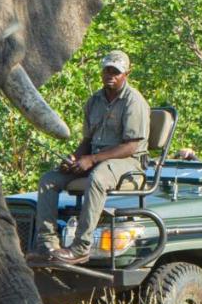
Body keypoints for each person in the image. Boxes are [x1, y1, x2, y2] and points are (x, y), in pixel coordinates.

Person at [31, 50, 150, 264]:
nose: (110, 75)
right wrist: (75, 158)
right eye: (107, 70)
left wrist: (92, 160)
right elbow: (87, 140)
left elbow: (131, 146)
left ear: (126, 74)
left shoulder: (134, 102)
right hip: (96, 159)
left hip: (128, 163)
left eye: (116, 71)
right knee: (49, 180)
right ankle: (46, 243)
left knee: (97, 178)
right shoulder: (94, 101)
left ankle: (81, 247)